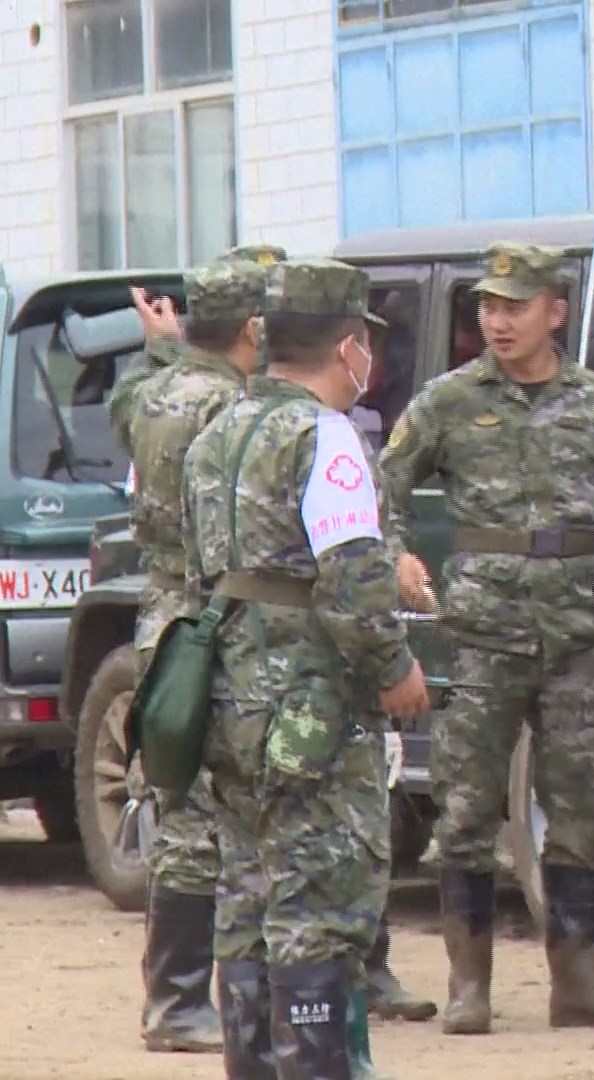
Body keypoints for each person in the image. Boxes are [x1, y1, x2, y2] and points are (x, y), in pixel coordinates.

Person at [379, 242, 594, 1036]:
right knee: (466, 810)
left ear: (556, 312)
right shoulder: (448, 400)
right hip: (481, 635)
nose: (497, 321)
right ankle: (471, 987)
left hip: (577, 635)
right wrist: (397, 550)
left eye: (514, 305)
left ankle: (581, 982)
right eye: (488, 307)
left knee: (582, 808)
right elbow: (385, 483)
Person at [185, 258, 432, 1079]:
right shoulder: (327, 438)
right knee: (319, 897)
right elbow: (354, 579)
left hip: (227, 700)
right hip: (312, 710)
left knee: (248, 892)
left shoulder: (217, 432)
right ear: (350, 344)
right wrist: (396, 671)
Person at [125, 256, 271, 1057]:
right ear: (253, 328)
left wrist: (160, 351)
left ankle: (178, 997)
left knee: (179, 805)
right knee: (203, 817)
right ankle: (181, 1003)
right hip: (212, 622)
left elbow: (128, 429)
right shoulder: (234, 407)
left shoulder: (163, 390)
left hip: (165, 615)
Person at [116, 245, 288, 455]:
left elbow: (125, 410)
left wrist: (163, 345)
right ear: (254, 329)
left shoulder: (156, 392)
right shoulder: (240, 408)